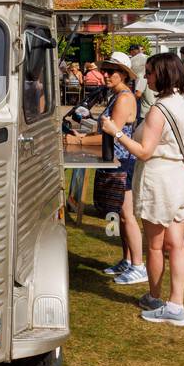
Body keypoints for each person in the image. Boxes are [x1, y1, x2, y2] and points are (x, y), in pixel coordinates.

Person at [102, 53, 184, 326]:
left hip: (160, 180)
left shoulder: (160, 109)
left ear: (163, 74)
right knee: (178, 244)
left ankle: (157, 298)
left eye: (149, 72)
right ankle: (176, 302)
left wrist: (116, 132)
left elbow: (144, 152)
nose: (146, 77)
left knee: (156, 246)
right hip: (182, 177)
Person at [65, 51, 146, 285]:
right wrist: (84, 135)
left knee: (127, 215)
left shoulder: (123, 98)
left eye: (111, 71)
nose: (106, 75)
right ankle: (128, 259)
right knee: (121, 214)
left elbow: (110, 136)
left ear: (123, 74)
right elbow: (103, 133)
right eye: (105, 70)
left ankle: (138, 265)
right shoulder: (117, 95)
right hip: (115, 160)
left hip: (121, 161)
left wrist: (78, 141)